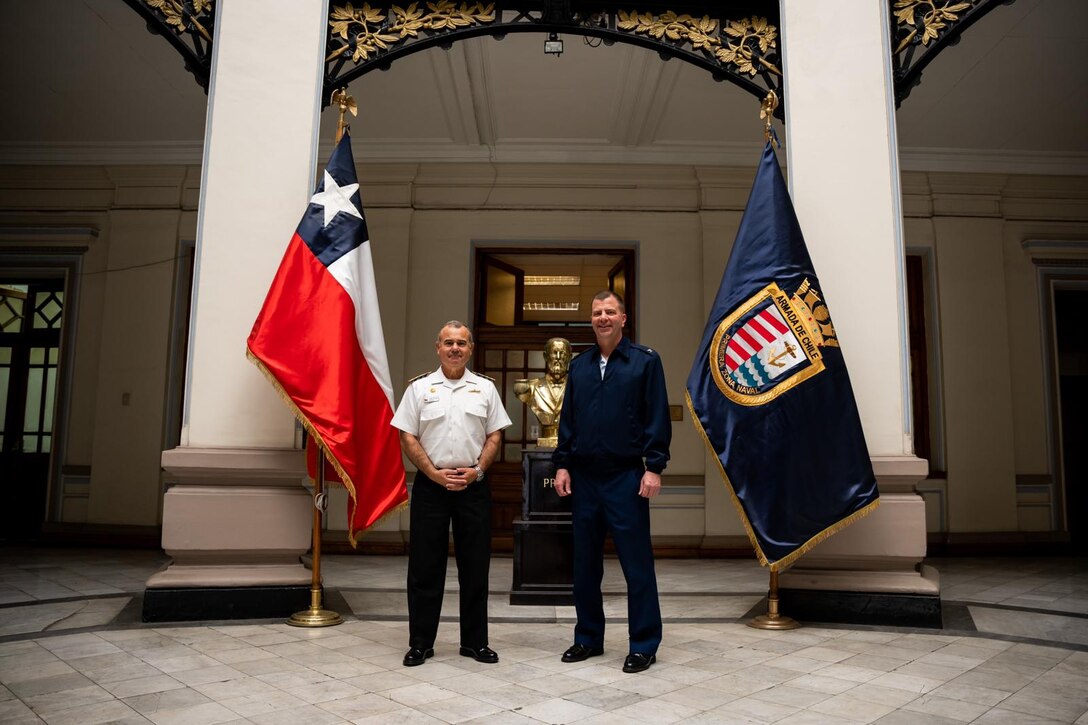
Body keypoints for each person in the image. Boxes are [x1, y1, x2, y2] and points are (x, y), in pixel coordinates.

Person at [553, 290, 671, 673]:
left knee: (636, 564)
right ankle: (588, 637)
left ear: (624, 318)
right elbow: (567, 420)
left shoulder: (645, 363)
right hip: (584, 478)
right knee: (585, 564)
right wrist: (562, 464)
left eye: (610, 312)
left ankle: (644, 644)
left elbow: (656, 416)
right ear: (591, 320)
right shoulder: (580, 366)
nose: (602, 318)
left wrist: (654, 466)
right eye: (597, 313)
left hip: (626, 476)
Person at [391, 320, 511, 667]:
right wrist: (432, 473)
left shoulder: (486, 388)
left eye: (461, 343)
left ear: (470, 349)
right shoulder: (419, 388)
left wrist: (478, 471)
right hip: (432, 487)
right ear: (437, 347)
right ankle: (421, 644)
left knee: (476, 567)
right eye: (448, 343)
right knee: (425, 568)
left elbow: (494, 436)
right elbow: (407, 436)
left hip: (473, 487)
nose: (455, 348)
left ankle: (475, 643)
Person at [514, 337, 572, 447]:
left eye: (562, 353)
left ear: (569, 357)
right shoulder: (529, 388)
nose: (558, 358)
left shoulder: (578, 388)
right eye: (554, 353)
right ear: (545, 356)